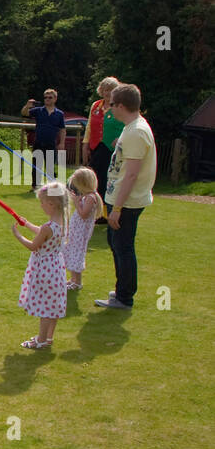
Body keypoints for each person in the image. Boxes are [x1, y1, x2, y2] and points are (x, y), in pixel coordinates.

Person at [95, 83, 155, 311]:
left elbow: (131, 175)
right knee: (116, 243)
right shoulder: (132, 129)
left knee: (123, 246)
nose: (109, 110)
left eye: (112, 105)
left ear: (121, 105)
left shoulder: (136, 132)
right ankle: (121, 290)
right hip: (120, 199)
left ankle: (125, 297)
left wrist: (117, 208)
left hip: (128, 202)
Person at [12, 182, 68, 349]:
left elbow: (33, 245)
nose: (41, 206)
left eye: (42, 202)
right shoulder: (62, 222)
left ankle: (41, 340)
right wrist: (27, 224)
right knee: (52, 304)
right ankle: (48, 338)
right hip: (56, 269)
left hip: (44, 270)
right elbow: (44, 233)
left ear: (51, 204)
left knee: (44, 307)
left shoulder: (47, 227)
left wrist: (18, 235)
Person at [83, 77, 122, 224]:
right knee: (95, 178)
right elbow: (89, 125)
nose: (107, 92)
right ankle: (95, 210)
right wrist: (85, 143)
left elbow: (124, 125)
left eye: (111, 89)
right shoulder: (96, 106)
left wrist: (120, 139)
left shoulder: (119, 106)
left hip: (110, 148)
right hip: (96, 145)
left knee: (106, 180)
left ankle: (105, 213)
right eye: (105, 89)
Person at [62, 167, 101, 291]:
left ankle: (77, 282)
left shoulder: (91, 197)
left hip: (81, 232)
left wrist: (77, 203)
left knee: (77, 254)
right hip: (76, 231)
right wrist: (77, 199)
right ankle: (73, 279)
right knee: (71, 251)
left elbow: (84, 214)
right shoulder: (87, 196)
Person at [22, 88, 66, 189]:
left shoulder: (59, 114)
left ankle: (51, 186)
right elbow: (24, 113)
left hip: (51, 143)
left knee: (50, 166)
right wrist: (27, 106)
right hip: (39, 142)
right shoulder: (38, 110)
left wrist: (62, 143)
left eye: (50, 97)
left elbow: (62, 129)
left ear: (55, 99)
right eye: (45, 97)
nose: (47, 99)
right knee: (36, 165)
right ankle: (35, 186)